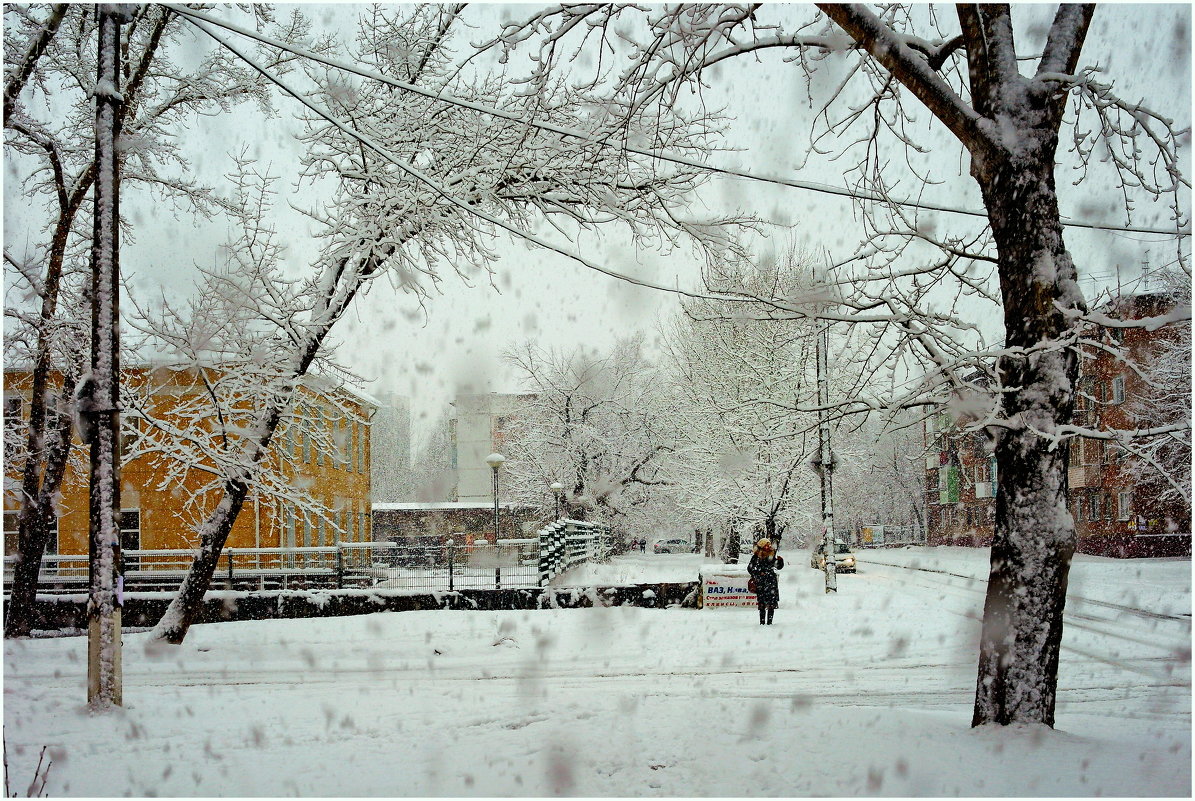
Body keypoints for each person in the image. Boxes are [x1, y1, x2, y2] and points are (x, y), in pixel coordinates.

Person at [747, 537, 784, 625]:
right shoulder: (756, 556)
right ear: (762, 546)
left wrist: (780, 561)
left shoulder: (771, 555)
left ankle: (770, 622)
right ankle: (762, 622)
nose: (768, 546)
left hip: (771, 582)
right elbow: (750, 568)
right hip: (761, 582)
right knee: (762, 603)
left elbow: (777, 566)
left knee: (771, 603)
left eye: (769, 545)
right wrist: (759, 572)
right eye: (766, 545)